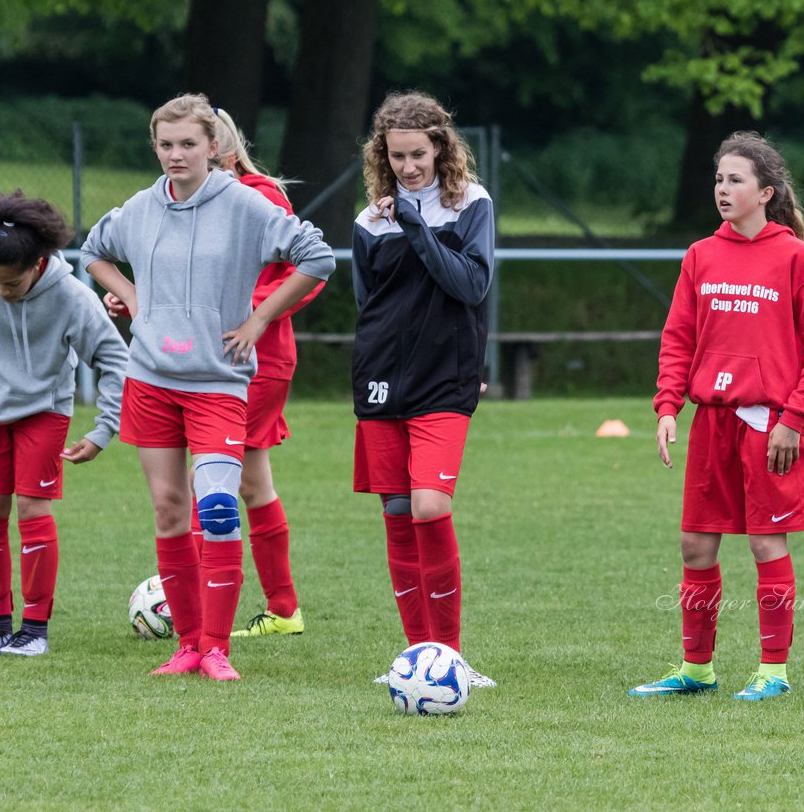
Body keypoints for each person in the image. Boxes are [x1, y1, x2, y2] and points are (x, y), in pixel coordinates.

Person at [80, 94, 334, 680]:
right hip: (150, 381)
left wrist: (260, 317)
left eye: (188, 144)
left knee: (218, 509)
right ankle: (188, 645)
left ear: (214, 146)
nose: (176, 155)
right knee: (170, 511)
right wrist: (137, 301)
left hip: (218, 384)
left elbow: (316, 258)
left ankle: (217, 648)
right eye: (165, 145)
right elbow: (93, 251)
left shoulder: (246, 204)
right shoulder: (142, 208)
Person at [629, 132, 804, 701]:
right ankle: (696, 668)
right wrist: (668, 405)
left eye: (736, 180)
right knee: (695, 546)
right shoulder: (701, 254)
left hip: (770, 425)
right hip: (712, 423)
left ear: (766, 192)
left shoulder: (795, 257)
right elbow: (679, 337)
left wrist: (793, 421)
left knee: (766, 545)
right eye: (719, 179)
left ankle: (774, 670)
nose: (723, 188)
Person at [0, 190, 129, 657]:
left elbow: (114, 359)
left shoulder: (71, 296)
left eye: (12, 285)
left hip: (45, 410)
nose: (1, 291)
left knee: (32, 512)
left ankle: (34, 630)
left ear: (39, 264)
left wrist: (103, 430)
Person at [351, 91, 497, 688]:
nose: (409, 167)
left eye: (419, 154)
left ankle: (451, 657)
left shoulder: (471, 205)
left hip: (445, 380)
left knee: (430, 507)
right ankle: (418, 659)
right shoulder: (368, 221)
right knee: (397, 513)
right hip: (381, 379)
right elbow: (369, 302)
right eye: (397, 157)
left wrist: (415, 224)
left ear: (441, 147)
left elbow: (469, 284)